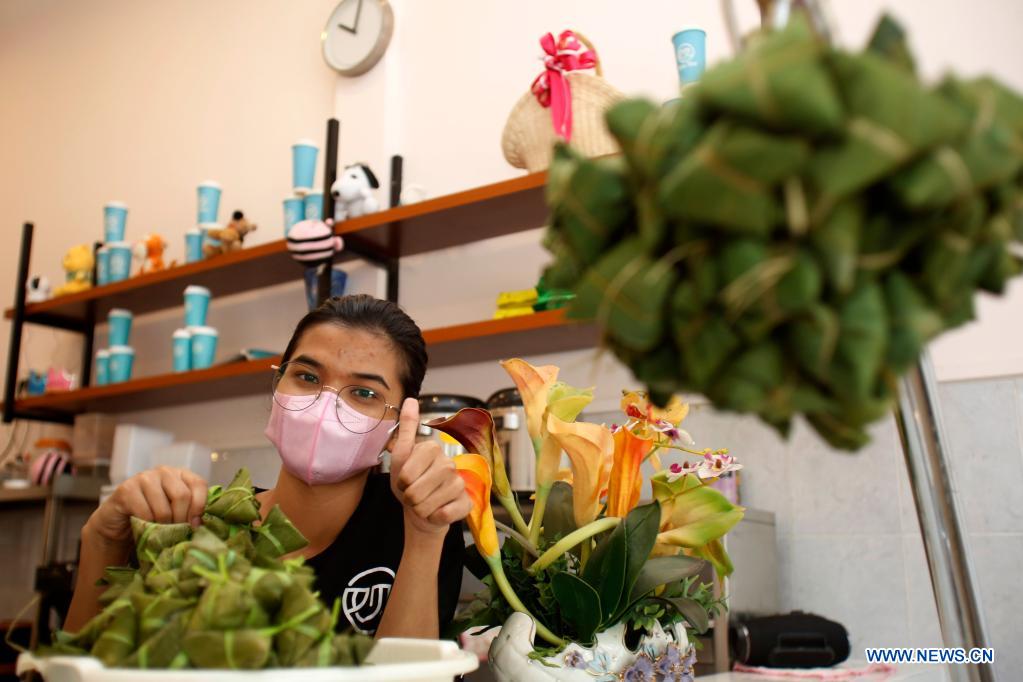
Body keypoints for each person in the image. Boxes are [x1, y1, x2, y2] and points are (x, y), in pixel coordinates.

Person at [65, 295, 471, 639]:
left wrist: (423, 536)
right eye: (307, 376)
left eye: (364, 392)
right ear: (277, 388)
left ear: (396, 427)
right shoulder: (203, 528)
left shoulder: (418, 522)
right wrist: (102, 541)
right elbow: (86, 668)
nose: (323, 405)